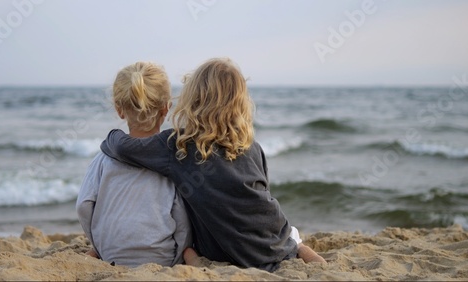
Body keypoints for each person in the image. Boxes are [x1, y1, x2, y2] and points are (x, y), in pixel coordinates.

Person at [100, 57, 326, 272]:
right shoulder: (252, 147)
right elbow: (262, 190)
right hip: (275, 242)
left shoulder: (178, 145)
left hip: (224, 253)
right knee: (291, 236)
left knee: (193, 239)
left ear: (193, 99)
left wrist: (112, 135)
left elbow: (123, 148)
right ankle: (303, 251)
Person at [76, 61, 192, 267]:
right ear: (166, 108)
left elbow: (83, 205)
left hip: (111, 255)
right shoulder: (173, 160)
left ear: (119, 109)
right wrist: (177, 258)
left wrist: (99, 245)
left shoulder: (103, 159)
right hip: (161, 259)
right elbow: (181, 218)